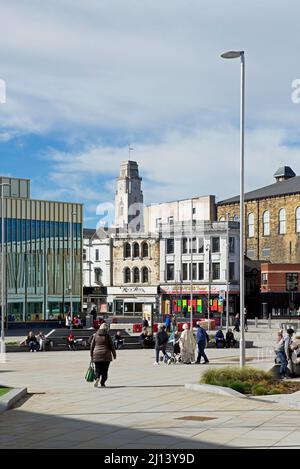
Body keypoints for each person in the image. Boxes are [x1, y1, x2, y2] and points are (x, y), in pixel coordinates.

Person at [90, 322, 116, 388]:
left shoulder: (95, 335)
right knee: (105, 370)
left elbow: (92, 346)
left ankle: (97, 377)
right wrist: (114, 354)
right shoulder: (107, 335)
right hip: (106, 355)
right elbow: (112, 346)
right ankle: (102, 383)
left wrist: (91, 355)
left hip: (96, 355)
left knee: (97, 369)